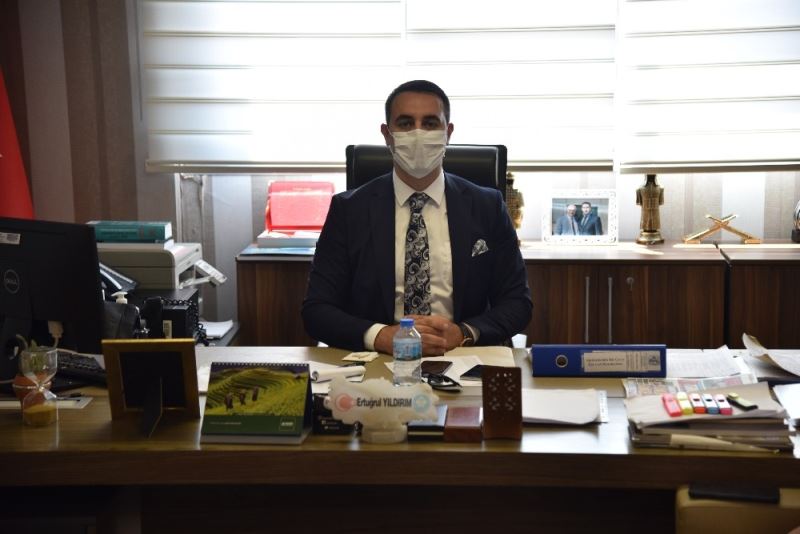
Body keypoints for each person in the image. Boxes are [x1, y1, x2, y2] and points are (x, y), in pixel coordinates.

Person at [302, 80, 532, 356]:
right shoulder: (349, 210)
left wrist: (463, 334)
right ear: (387, 135)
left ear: (448, 132)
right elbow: (317, 310)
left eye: (431, 123)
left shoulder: (487, 206)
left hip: (462, 355)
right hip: (378, 359)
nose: (418, 133)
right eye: (406, 123)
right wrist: (380, 336)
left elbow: (517, 303)